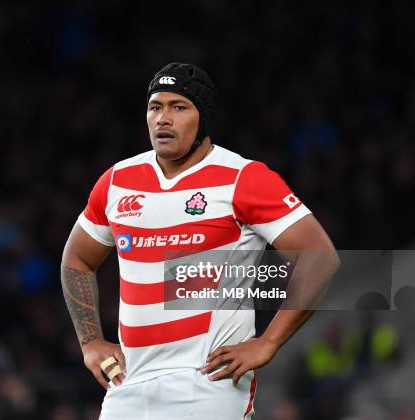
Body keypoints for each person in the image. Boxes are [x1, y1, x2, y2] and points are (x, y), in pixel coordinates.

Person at [61, 63, 340, 419]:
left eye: (179, 107)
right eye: (155, 106)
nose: (163, 118)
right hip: (127, 387)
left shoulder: (243, 178)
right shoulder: (118, 181)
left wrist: (268, 343)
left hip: (207, 387)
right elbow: (77, 259)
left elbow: (319, 257)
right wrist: (90, 343)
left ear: (203, 117)